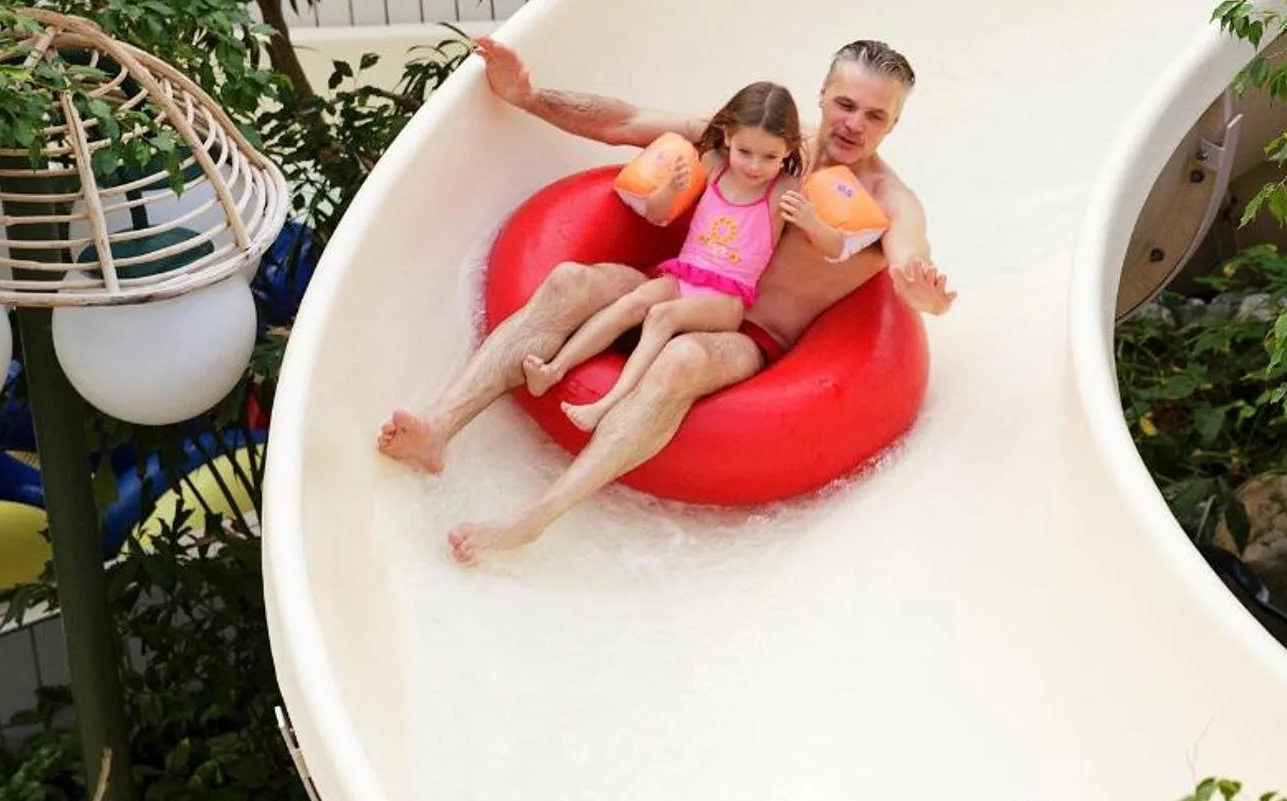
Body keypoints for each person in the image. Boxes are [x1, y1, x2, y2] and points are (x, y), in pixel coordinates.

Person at [369, 36, 953, 558]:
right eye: (846, 104)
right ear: (823, 95)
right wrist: (527, 96)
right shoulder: (766, 140)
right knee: (571, 282)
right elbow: (628, 122)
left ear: (894, 125)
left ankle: (531, 519)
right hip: (679, 281)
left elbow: (909, 259)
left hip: (748, 336)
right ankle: (437, 428)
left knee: (682, 358)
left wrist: (923, 294)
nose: (855, 124)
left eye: (876, 115)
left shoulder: (888, 201)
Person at [517, 81, 836, 431]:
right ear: (728, 136)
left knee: (661, 316)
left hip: (727, 298)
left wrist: (812, 222)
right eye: (746, 152)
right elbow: (658, 213)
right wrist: (671, 188)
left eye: (770, 157)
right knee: (633, 302)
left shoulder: (785, 190)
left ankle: (607, 404)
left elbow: (834, 247)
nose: (756, 166)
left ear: (787, 149)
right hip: (684, 276)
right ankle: (552, 371)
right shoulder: (712, 164)